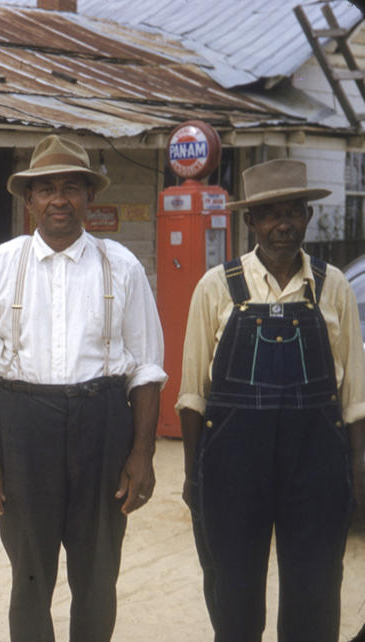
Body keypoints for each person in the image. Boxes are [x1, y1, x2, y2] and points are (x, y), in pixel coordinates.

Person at [0, 135, 166, 641]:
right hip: (25, 428)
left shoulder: (123, 266)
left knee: (97, 577)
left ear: (89, 197)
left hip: (103, 422)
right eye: (46, 189)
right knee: (30, 575)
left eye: (72, 187)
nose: (59, 200)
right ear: (28, 201)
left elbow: (147, 370)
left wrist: (142, 453)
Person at [178, 158, 365, 642]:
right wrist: (193, 475)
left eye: (294, 212)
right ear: (250, 222)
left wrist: (357, 470)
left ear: (308, 217)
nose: (283, 224)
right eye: (270, 213)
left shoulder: (333, 287)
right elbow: (193, 395)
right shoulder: (216, 287)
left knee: (315, 593)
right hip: (234, 466)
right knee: (234, 596)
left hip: (316, 463)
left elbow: (355, 398)